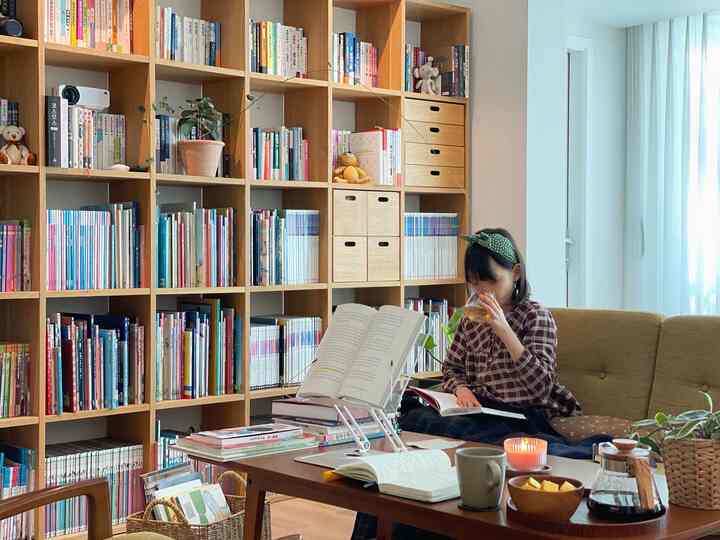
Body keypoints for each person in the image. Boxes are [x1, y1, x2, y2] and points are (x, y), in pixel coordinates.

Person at [351, 228, 581, 540]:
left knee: (459, 438)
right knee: (410, 423)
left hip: (520, 413)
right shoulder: (470, 319)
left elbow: (540, 387)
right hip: (476, 409)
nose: (482, 292)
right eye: (474, 284)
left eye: (491, 283)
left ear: (515, 273)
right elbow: (451, 368)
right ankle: (388, 519)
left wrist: (504, 331)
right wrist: (460, 388)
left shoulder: (535, 317)